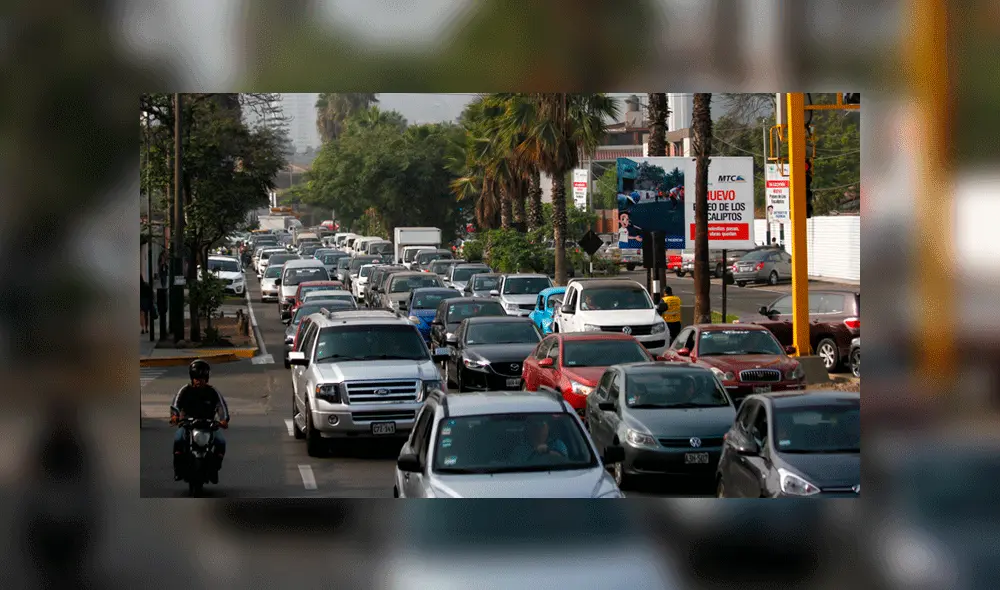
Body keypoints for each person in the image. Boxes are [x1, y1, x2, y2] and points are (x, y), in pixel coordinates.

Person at [170, 360, 229, 483]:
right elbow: (176, 405)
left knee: (221, 442)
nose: (199, 381)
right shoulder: (185, 390)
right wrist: (175, 416)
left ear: (206, 378)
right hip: (187, 425)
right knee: (178, 440)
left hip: (209, 425)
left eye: (202, 378)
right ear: (192, 378)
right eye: (196, 378)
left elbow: (221, 407)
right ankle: (178, 469)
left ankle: (215, 469)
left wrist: (223, 420)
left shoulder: (213, 392)